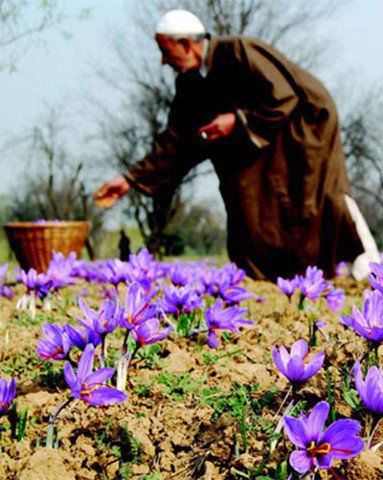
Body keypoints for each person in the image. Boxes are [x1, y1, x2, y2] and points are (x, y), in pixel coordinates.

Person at [94, 9, 380, 282]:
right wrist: (130, 178)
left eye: (166, 52)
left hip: (302, 128)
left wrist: (236, 121)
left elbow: (283, 96)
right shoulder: (190, 85)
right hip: (259, 144)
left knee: (314, 196)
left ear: (185, 44)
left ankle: (363, 258)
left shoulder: (238, 51)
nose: (164, 62)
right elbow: (178, 140)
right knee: (246, 196)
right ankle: (271, 273)